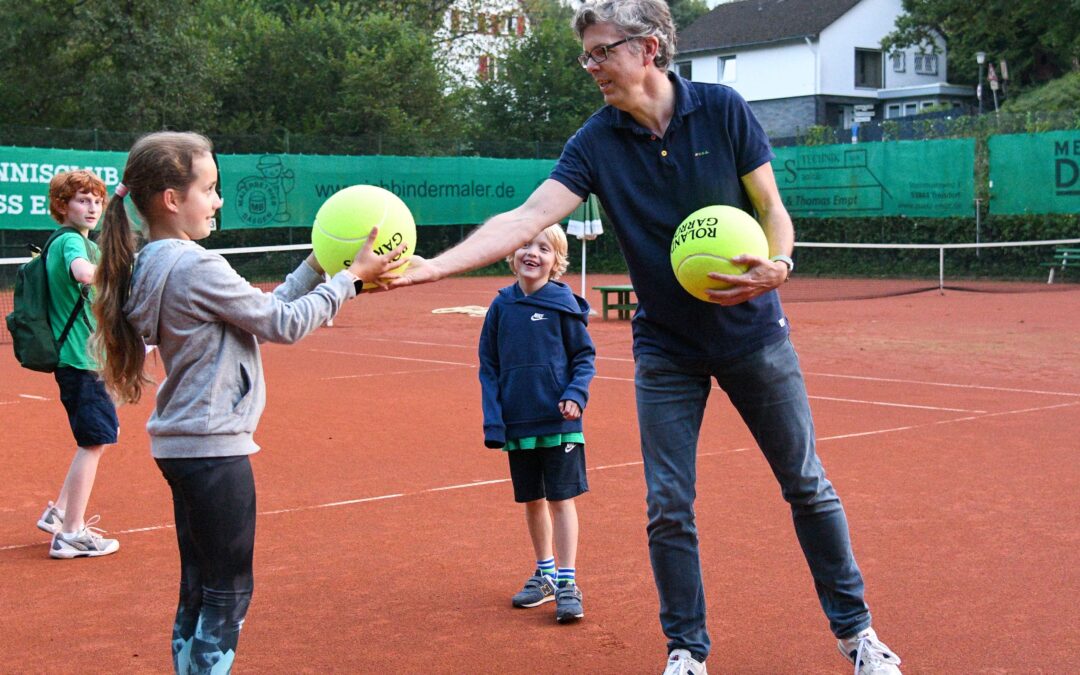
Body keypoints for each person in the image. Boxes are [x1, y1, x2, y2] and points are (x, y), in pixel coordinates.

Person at [391, 1, 901, 673]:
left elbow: (773, 210)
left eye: (602, 52)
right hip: (666, 347)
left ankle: (857, 633)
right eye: (588, 55)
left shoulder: (722, 109)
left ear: (649, 47)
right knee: (667, 504)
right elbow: (528, 216)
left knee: (807, 485)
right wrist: (431, 266)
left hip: (754, 334)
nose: (592, 67)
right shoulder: (596, 141)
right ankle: (687, 649)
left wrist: (779, 266)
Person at [92, 131, 406, 674]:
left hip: (185, 443)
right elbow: (283, 324)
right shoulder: (193, 265)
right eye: (210, 189)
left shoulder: (154, 262)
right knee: (228, 594)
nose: (217, 201)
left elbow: (257, 317)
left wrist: (318, 265)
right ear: (172, 199)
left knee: (199, 588)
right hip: (212, 446)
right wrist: (351, 279)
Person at [478, 224, 596, 624]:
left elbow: (584, 358)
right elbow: (488, 368)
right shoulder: (500, 307)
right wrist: (494, 422)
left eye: (543, 248)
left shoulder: (564, 305)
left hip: (560, 422)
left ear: (556, 261)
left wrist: (575, 395)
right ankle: (544, 574)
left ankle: (567, 582)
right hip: (518, 424)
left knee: (561, 499)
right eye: (526, 245)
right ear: (512, 254)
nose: (532, 253)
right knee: (532, 499)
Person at [35, 170, 122, 559]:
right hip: (81, 361)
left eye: (96, 201)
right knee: (94, 441)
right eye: (82, 200)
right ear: (62, 205)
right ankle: (71, 532)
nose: (91, 208)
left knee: (94, 438)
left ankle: (58, 513)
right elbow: (83, 273)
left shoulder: (74, 241)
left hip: (84, 359)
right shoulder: (72, 243)